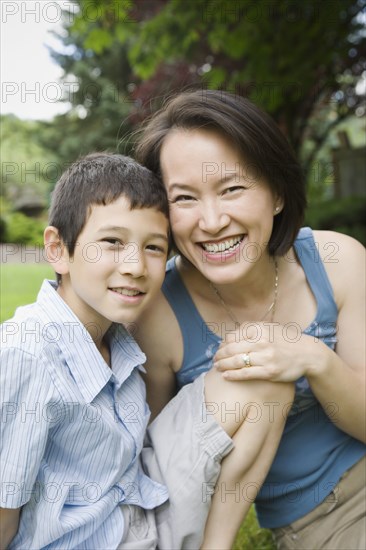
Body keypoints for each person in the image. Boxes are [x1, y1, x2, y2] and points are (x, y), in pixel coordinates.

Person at [0, 152, 293, 550]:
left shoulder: (121, 338)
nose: (136, 266)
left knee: (261, 379)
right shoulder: (26, 354)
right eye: (112, 242)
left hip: (142, 516)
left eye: (154, 248)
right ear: (58, 249)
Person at [134, 89, 366, 550]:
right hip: (323, 520)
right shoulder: (158, 314)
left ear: (277, 193)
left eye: (232, 188)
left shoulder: (337, 260)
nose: (213, 220)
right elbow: (160, 463)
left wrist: (314, 358)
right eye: (184, 198)